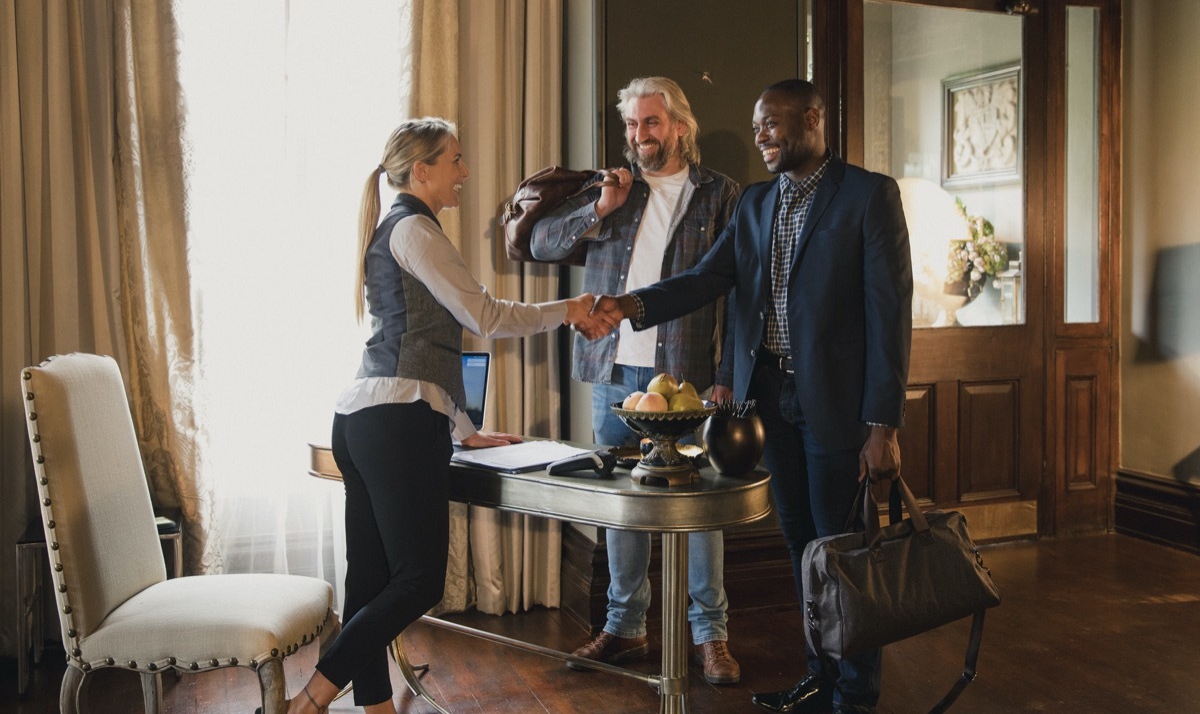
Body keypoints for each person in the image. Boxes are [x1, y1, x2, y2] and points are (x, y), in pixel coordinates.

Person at [589, 79, 913, 714]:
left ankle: (857, 695)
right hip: (773, 404)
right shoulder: (757, 203)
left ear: (813, 118)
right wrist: (632, 305)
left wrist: (883, 426)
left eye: (772, 122)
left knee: (843, 551)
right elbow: (711, 275)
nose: (761, 134)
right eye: (756, 124)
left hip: (840, 409)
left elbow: (889, 317)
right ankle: (819, 675)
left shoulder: (869, 196)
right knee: (800, 547)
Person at [287, 118, 609, 714]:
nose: (465, 173)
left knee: (370, 583)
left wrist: (466, 431)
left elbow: (425, 348)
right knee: (418, 582)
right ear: (422, 170)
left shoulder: (396, 227)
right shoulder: (415, 229)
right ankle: (308, 699)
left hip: (361, 421)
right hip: (398, 424)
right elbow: (484, 316)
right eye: (455, 161)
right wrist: (569, 308)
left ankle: (375, 708)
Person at [530, 76, 743, 684]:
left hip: (688, 373)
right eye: (631, 125)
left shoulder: (720, 195)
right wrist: (600, 209)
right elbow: (544, 244)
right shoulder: (612, 189)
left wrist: (727, 374)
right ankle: (625, 627)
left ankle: (711, 636)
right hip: (614, 372)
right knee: (622, 502)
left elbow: (735, 290)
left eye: (650, 123)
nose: (639, 136)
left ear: (679, 126)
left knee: (698, 504)